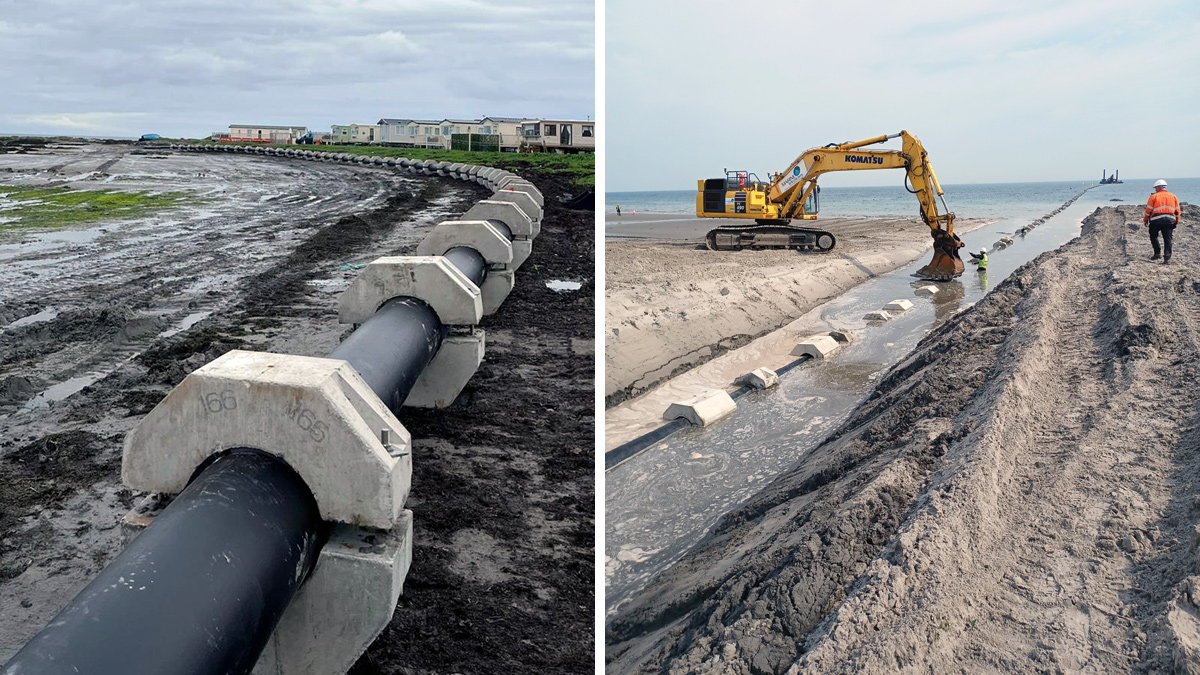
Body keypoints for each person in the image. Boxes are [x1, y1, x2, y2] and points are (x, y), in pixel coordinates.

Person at [1144, 179, 1180, 263]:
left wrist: (1145, 219)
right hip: (1169, 220)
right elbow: (1177, 210)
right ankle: (1167, 258)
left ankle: (1157, 253)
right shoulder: (1173, 196)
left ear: (1159, 187)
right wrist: (1176, 221)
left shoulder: (1153, 196)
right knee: (1168, 239)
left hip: (1155, 221)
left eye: (1156, 188)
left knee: (1153, 236)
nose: (1155, 190)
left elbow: (1148, 210)